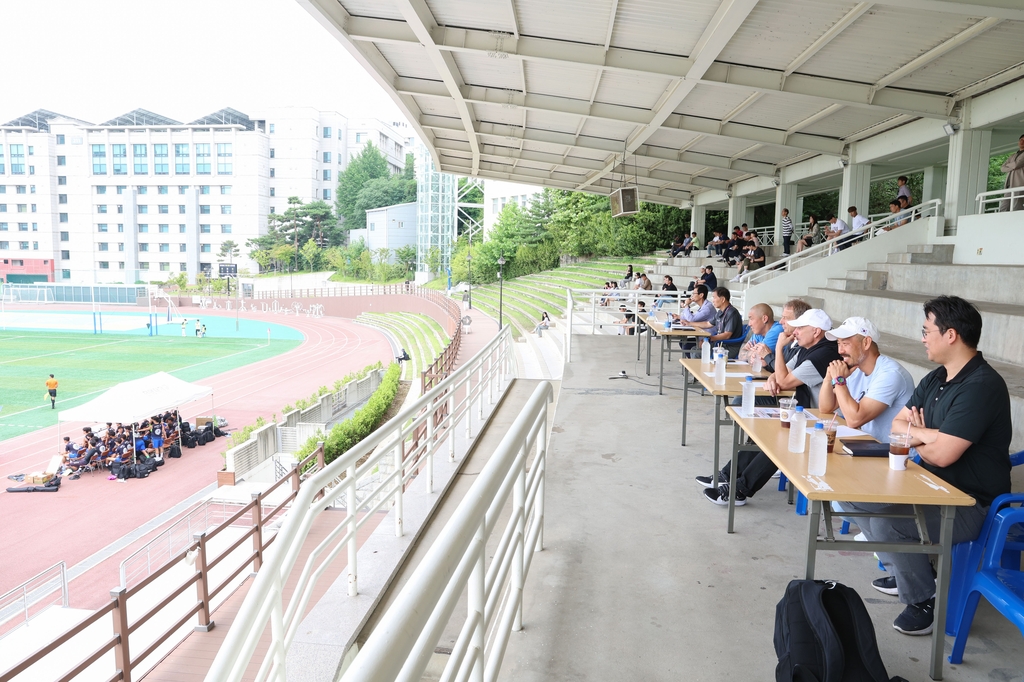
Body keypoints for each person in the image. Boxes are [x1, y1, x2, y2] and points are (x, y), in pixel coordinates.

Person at [840, 296, 1011, 636]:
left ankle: (923, 598)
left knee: (891, 523)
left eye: (926, 330)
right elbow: (897, 428)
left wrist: (918, 435)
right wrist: (929, 434)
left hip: (969, 503)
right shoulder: (937, 377)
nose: (922, 338)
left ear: (951, 335)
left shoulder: (982, 386)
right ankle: (904, 567)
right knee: (849, 495)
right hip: (928, 483)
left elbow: (943, 455)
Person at [700, 308, 842, 505]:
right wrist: (774, 379)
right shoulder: (807, 346)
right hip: (804, 409)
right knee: (758, 424)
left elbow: (784, 380)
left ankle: (740, 489)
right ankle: (730, 474)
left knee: (776, 440)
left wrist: (778, 351)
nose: (795, 331)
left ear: (816, 331)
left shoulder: (824, 353)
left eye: (800, 327)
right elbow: (780, 374)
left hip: (822, 420)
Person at [818, 317, 915, 443]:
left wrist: (839, 380)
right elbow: (826, 408)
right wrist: (828, 378)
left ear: (866, 343)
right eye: (838, 344)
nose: (840, 351)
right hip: (868, 445)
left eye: (845, 344)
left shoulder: (890, 374)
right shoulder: (856, 369)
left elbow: (854, 420)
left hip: (893, 454)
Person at [691, 287, 743, 354]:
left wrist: (709, 339)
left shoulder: (732, 313)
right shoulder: (720, 312)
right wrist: (689, 323)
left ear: (723, 299)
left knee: (697, 352)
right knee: (694, 349)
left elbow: (727, 335)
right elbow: (707, 324)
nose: (713, 300)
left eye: (714, 298)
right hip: (720, 344)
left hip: (728, 348)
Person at [999, 134, 1024, 212]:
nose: (1022, 142)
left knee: (1016, 206)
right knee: (1004, 207)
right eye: (1021, 140)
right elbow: (1002, 168)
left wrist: (1008, 165)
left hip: (1019, 183)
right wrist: (1012, 166)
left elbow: (1017, 164)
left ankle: (1018, 223)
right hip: (1009, 185)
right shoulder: (1013, 155)